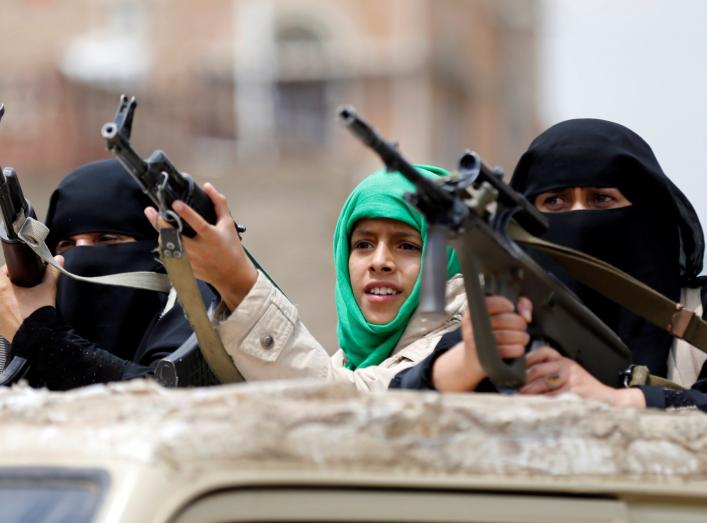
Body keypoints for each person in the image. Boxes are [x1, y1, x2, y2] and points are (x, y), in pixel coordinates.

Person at [391, 118, 707, 411]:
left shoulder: (698, 314)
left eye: (601, 199)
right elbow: (397, 409)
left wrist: (619, 399)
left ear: (648, 214)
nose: (579, 219)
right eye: (555, 201)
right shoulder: (511, 314)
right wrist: (469, 361)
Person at [145, 165, 466, 391]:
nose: (380, 262)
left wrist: (236, 281)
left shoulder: (464, 350)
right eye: (363, 245)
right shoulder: (347, 361)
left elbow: (356, 411)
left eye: (408, 246)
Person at [0, 160, 216, 390]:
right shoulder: (21, 323)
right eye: (67, 246)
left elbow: (165, 393)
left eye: (106, 240)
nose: (82, 256)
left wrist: (40, 338)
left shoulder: (193, 302)